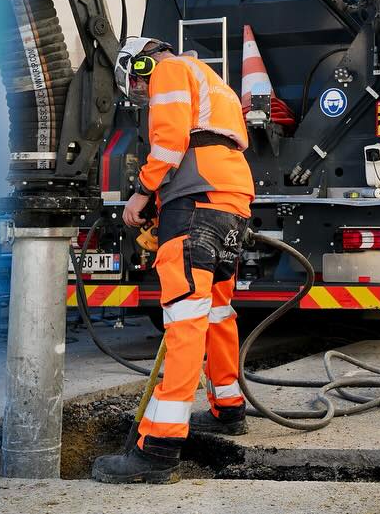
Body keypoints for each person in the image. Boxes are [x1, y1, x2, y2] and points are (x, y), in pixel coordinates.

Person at [92, 35, 256, 484]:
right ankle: (228, 407)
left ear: (141, 64)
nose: (138, 91)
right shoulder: (210, 78)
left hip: (196, 200)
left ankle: (158, 449)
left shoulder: (168, 70)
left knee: (184, 320)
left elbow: (168, 142)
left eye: (133, 79)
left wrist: (142, 195)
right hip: (231, 201)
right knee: (217, 310)